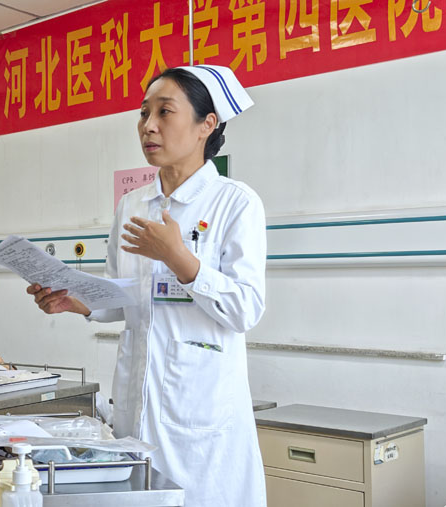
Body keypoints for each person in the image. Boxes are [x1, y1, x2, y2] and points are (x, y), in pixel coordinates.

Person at [26, 65, 267, 507]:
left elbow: (245, 309)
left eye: (164, 112)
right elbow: (127, 300)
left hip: (202, 421)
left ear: (206, 125)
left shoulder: (236, 203)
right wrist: (77, 301)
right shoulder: (133, 205)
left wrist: (179, 258)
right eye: (143, 113)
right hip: (136, 411)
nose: (148, 126)